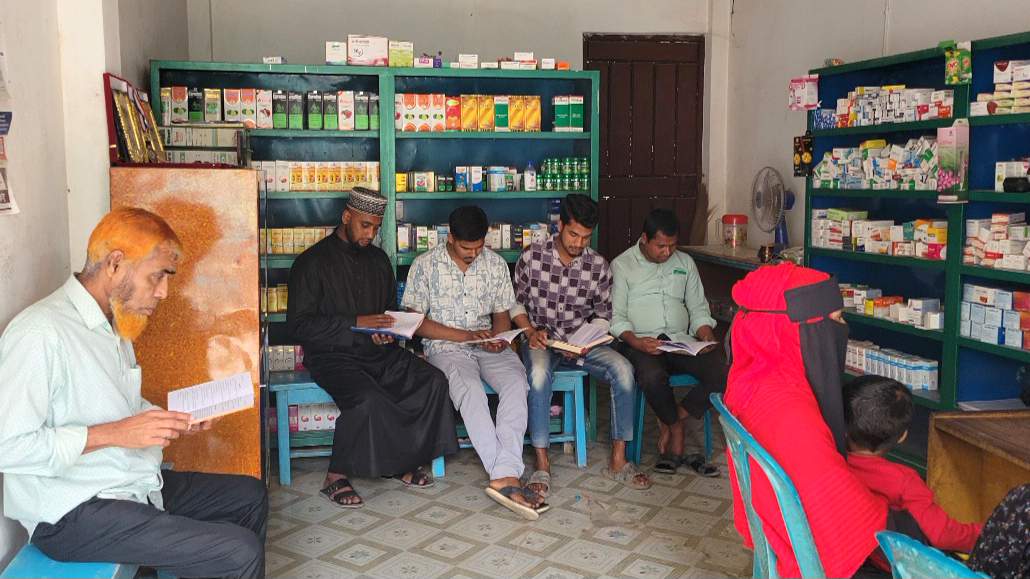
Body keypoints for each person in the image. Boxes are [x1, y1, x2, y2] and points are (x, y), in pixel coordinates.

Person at [0, 208, 268, 579]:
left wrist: (174, 419)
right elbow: (9, 447)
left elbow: (120, 405)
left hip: (125, 480)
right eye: (156, 276)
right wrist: (117, 434)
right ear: (115, 264)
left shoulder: (113, 323)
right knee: (241, 553)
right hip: (72, 509)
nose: (163, 291)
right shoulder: (40, 332)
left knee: (250, 496)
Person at [286, 187, 457, 508]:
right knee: (367, 399)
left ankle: (400, 464)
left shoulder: (378, 261)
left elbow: (386, 315)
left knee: (432, 381)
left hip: (378, 353)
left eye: (376, 228)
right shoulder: (311, 263)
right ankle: (335, 476)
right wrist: (355, 321)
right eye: (365, 226)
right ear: (346, 217)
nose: (370, 234)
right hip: (333, 357)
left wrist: (387, 333)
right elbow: (301, 325)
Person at [724, 263, 887, 578]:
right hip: (808, 549)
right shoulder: (788, 410)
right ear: (800, 329)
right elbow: (844, 516)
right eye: (836, 320)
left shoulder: (754, 378)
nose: (843, 328)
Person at [403, 205, 547, 520]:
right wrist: (465, 337)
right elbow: (415, 322)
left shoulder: (494, 264)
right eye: (466, 247)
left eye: (478, 247)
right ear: (449, 237)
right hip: (445, 346)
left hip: (487, 346)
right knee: (469, 390)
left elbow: (500, 314)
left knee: (515, 383)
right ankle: (504, 474)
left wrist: (498, 339)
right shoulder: (425, 266)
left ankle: (504, 471)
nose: (472, 253)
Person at [511, 193, 650, 497]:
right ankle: (542, 462)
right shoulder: (531, 257)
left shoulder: (598, 266)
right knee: (537, 373)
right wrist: (529, 331)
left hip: (580, 345)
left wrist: (590, 340)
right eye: (573, 234)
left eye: (585, 237)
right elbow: (515, 304)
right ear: (559, 225)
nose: (578, 243)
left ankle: (618, 459)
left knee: (624, 370)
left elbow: (603, 316)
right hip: (541, 341)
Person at [610, 208, 725, 477]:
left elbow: (698, 310)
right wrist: (637, 342)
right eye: (660, 246)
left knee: (723, 371)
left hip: (680, 341)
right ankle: (675, 428)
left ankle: (674, 419)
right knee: (652, 376)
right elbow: (616, 317)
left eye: (672, 246)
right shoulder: (622, 264)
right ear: (644, 239)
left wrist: (705, 336)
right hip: (640, 342)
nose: (667, 252)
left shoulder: (685, 263)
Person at [844, 375, 982, 555]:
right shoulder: (905, 482)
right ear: (902, 436)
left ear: (845, 428)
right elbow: (941, 535)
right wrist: (983, 533)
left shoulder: (834, 461)